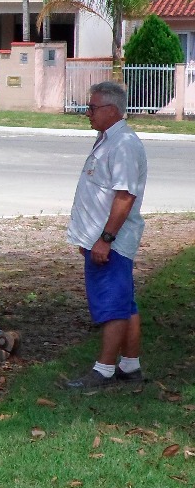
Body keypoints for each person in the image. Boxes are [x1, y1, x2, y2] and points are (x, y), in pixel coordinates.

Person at [64, 80, 147, 390]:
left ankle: (104, 371)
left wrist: (105, 239)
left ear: (112, 110)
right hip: (101, 240)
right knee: (125, 303)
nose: (87, 113)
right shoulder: (107, 138)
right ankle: (130, 366)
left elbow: (125, 196)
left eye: (93, 107)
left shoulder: (123, 144)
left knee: (112, 305)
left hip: (111, 243)